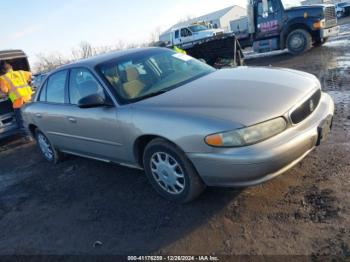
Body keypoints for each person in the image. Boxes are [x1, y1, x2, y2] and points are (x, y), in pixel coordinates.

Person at [0, 61, 33, 141]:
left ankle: (28, 137)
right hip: (29, 98)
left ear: (2, 71)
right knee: (32, 117)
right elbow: (30, 75)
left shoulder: (2, 78)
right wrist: (28, 82)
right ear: (11, 67)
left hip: (18, 102)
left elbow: (4, 90)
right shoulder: (21, 72)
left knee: (21, 121)